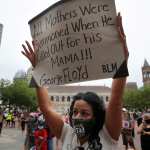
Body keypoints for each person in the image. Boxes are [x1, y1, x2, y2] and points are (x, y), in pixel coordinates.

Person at [21, 13, 129, 150]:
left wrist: (121, 59)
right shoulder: (67, 133)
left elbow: (116, 100)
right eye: (75, 112)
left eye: (84, 113)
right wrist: (38, 69)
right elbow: (46, 108)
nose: (77, 117)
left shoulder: (108, 134)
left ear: (96, 117)